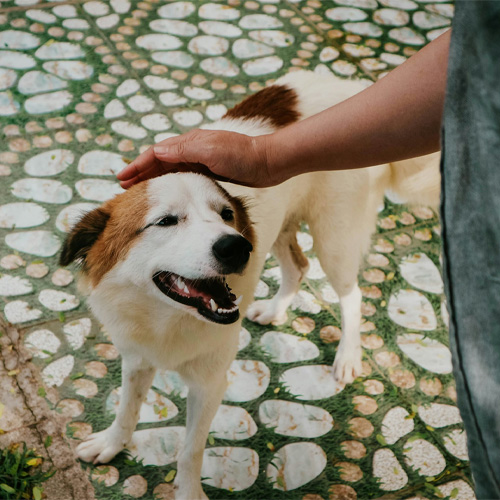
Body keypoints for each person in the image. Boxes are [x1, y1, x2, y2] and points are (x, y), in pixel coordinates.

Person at [118, 1, 500, 497]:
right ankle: (286, 290)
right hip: (311, 138)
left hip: (336, 159)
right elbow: (475, 48)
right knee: (278, 247)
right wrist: (262, 155)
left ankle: (351, 319)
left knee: (337, 265)